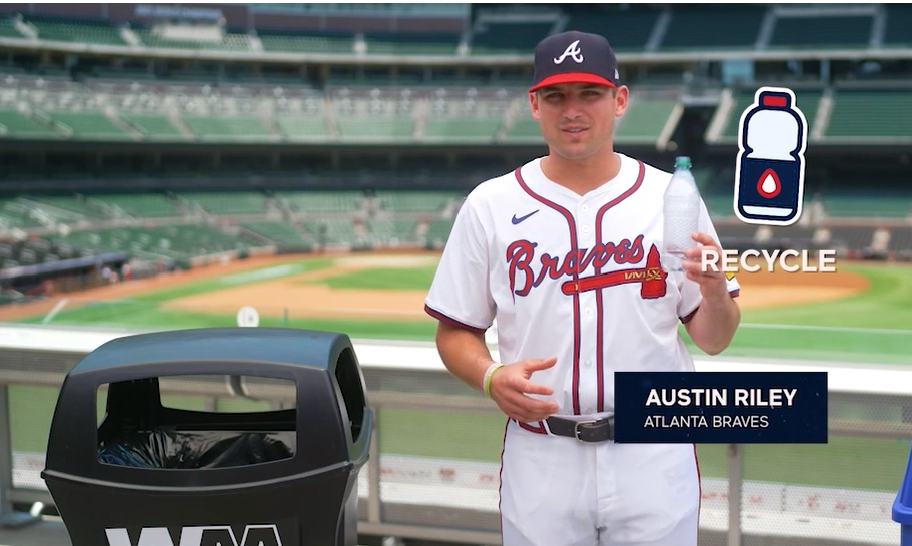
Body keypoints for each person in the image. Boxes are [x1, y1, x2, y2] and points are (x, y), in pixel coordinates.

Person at [423, 30, 742, 546]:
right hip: (542, 451)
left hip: (653, 451)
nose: (572, 110)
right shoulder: (491, 204)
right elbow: (454, 332)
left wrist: (715, 294)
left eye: (588, 93)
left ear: (619, 100)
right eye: (556, 96)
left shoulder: (671, 196)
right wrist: (490, 377)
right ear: (534, 104)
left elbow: (713, 337)